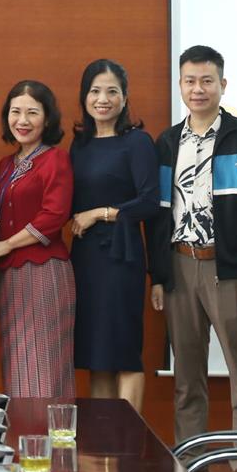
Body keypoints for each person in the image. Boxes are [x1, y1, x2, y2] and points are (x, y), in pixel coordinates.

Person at [148, 45, 237, 448]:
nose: (197, 89)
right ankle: (190, 462)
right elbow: (159, 216)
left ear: (223, 84)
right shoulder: (167, 142)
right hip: (180, 267)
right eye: (190, 81)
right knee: (187, 376)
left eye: (206, 81)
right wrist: (159, 276)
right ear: (180, 85)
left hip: (229, 270)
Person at [69, 59, 160, 411]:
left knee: (123, 351)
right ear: (84, 96)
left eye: (112, 91)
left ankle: (129, 437)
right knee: (98, 354)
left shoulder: (136, 142)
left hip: (121, 257)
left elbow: (149, 201)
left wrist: (99, 213)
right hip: (86, 259)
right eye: (95, 91)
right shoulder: (80, 145)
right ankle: (102, 438)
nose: (102, 99)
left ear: (124, 98)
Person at [0, 81, 75, 399]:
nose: (22, 120)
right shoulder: (6, 165)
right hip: (10, 274)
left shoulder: (55, 159)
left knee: (44, 363)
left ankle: (50, 431)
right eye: (15, 112)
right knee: (17, 364)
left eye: (32, 112)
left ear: (47, 119)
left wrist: (8, 245)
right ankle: (24, 430)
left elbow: (54, 216)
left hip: (44, 271)